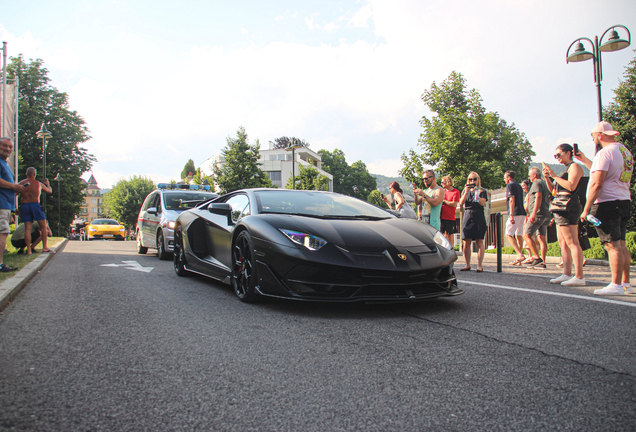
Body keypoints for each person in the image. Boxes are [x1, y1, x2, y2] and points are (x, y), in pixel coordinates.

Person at [576, 121, 633, 295]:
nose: (594, 139)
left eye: (593, 136)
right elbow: (606, 171)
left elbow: (597, 182)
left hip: (607, 202)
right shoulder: (625, 151)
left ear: (599, 135)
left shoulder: (604, 153)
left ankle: (615, 285)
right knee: (622, 243)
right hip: (623, 199)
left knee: (611, 244)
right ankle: (626, 283)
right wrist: (585, 159)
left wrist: (586, 208)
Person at [542, 144, 585, 286]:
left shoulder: (575, 167)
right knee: (563, 243)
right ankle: (567, 273)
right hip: (560, 205)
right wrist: (548, 178)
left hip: (569, 205)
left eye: (559, 155)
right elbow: (553, 190)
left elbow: (571, 186)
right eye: (556, 156)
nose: (557, 158)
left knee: (572, 242)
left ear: (568, 153)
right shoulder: (566, 169)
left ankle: (579, 276)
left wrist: (554, 175)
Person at [0, 137, 25, 272]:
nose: (8, 149)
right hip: (1, 203)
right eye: (4, 146)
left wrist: (13, 190)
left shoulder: (5, 163)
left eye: (10, 147)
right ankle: (0, 264)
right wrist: (13, 186)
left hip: (6, 203)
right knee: (2, 232)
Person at [18, 167, 53, 254]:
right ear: (34, 174)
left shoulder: (21, 183)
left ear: (26, 174)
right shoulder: (38, 184)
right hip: (35, 205)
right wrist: (48, 184)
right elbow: (49, 191)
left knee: (27, 229)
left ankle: (29, 250)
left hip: (25, 205)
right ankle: (45, 247)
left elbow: (14, 194)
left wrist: (16, 208)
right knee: (43, 226)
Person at [458, 172, 488, 272]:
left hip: (478, 214)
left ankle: (479, 265)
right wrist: (466, 191)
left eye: (474, 179)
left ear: (478, 179)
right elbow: (461, 203)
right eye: (470, 179)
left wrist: (476, 193)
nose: (472, 181)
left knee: (479, 241)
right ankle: (467, 264)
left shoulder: (482, 191)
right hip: (468, 213)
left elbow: (482, 203)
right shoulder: (465, 191)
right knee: (466, 241)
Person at [523, 167, 551, 269]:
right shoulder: (544, 183)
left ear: (534, 175)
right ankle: (542, 262)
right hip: (545, 213)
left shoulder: (536, 183)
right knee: (541, 238)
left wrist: (533, 213)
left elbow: (538, 197)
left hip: (538, 214)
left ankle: (537, 258)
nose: (529, 178)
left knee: (526, 235)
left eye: (530, 175)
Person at [504, 171, 527, 265]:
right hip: (522, 212)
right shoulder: (519, 186)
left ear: (509, 177)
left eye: (505, 178)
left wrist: (511, 214)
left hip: (516, 212)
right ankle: (519, 257)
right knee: (519, 234)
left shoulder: (510, 185)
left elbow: (512, 200)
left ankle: (520, 254)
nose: (504, 180)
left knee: (508, 234)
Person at [439, 176, 460, 246]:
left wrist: (444, 201)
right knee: (442, 235)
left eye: (443, 182)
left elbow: (453, 204)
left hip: (450, 217)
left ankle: (451, 249)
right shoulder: (442, 191)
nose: (441, 184)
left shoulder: (456, 192)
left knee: (450, 235)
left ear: (448, 182)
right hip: (441, 216)